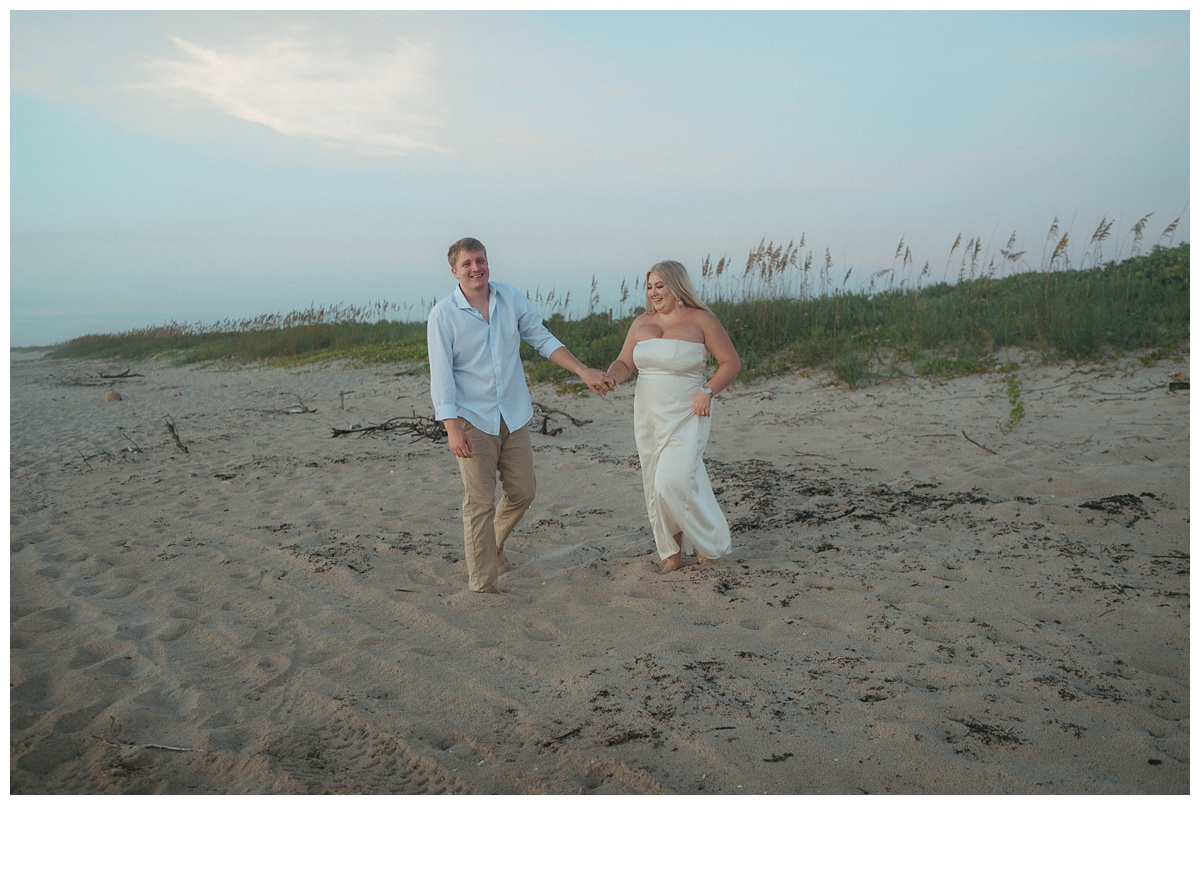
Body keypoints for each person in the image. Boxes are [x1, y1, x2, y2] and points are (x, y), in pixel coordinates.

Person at [427, 237, 614, 593]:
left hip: (513, 414)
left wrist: (583, 371)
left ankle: (492, 545)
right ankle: (483, 583)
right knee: (479, 502)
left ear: (488, 263)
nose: (475, 268)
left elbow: (541, 339)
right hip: (471, 418)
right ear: (454, 272)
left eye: (480, 260)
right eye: (466, 264)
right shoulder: (443, 315)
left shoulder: (509, 298)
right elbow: (442, 375)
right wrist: (451, 427)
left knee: (523, 492)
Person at [604, 260, 741, 573]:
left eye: (659, 285)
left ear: (677, 286)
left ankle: (710, 543)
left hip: (688, 411)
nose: (653, 292)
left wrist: (707, 391)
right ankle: (673, 554)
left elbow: (730, 363)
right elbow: (624, 363)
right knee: (656, 480)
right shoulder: (641, 323)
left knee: (672, 479)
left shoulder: (701, 320)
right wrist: (611, 376)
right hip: (648, 414)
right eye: (649, 286)